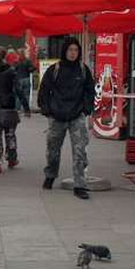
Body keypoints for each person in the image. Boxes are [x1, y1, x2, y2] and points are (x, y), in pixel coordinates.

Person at [38, 38, 96, 199]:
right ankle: (50, 175)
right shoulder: (54, 69)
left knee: (80, 151)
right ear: (64, 51)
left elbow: (90, 91)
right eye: (70, 50)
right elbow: (44, 90)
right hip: (56, 116)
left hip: (77, 116)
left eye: (76, 50)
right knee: (53, 150)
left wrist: (86, 109)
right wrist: (47, 109)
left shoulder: (83, 70)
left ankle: (79, 185)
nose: (73, 53)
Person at [15, 52, 37, 117]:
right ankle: (25, 110)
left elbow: (14, 69)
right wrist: (29, 70)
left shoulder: (17, 62)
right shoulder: (28, 61)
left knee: (18, 96)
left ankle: (17, 110)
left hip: (19, 79)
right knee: (26, 95)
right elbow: (33, 68)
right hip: (26, 78)